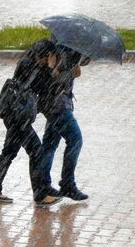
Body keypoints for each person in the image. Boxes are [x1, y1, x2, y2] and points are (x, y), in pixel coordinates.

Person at [0, 39, 61, 205]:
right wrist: (50, 69)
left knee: (9, 152)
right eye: (51, 56)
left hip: (13, 114)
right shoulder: (33, 67)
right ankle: (40, 195)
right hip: (19, 118)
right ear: (46, 55)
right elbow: (45, 88)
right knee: (36, 152)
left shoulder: (27, 61)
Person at [39, 46, 90, 201]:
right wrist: (67, 72)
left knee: (49, 145)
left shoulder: (69, 49)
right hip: (58, 105)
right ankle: (67, 183)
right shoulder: (59, 51)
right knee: (75, 140)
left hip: (55, 104)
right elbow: (53, 78)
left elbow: (78, 70)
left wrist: (75, 66)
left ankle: (42, 186)